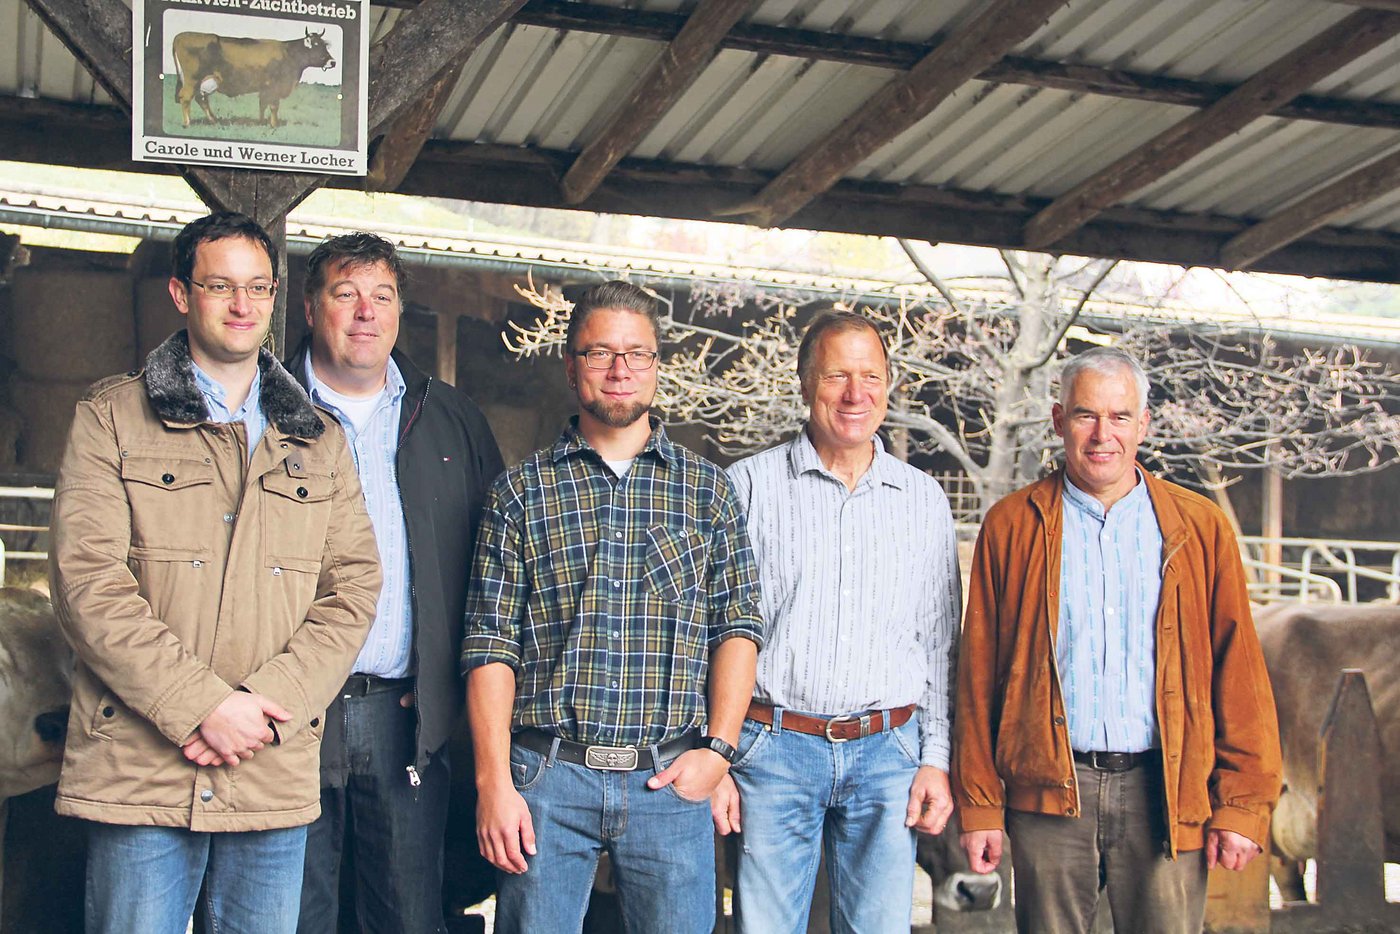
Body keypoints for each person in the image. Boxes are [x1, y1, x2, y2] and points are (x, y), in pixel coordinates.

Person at [48, 211, 382, 934]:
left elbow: (354, 590)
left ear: (274, 297)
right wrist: (201, 705)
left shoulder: (318, 440)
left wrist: (263, 703)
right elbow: (87, 584)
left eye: (257, 287)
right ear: (180, 293)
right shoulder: (111, 419)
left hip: (268, 767)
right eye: (220, 286)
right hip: (142, 770)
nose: (241, 305)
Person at [462, 281, 764, 934]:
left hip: (670, 778)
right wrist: (494, 783)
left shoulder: (707, 492)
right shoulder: (520, 493)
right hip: (546, 779)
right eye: (600, 352)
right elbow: (490, 646)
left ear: (657, 366)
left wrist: (718, 751)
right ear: (571, 367)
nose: (620, 368)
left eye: (637, 353)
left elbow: (737, 628)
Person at [953, 346, 1283, 934]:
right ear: (1059, 420)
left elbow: (1239, 671)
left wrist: (1242, 803)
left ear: (1143, 424)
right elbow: (978, 674)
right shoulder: (1011, 525)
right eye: (1086, 415)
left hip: (1166, 788)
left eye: (1120, 416)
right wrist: (980, 804)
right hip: (1048, 792)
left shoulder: (1200, 527)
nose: (1103, 434)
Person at [715, 310, 961, 934]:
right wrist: (715, 757)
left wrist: (934, 758)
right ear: (805, 384)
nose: (856, 394)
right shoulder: (746, 487)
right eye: (836, 376)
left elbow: (939, 646)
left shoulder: (923, 499)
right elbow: (708, 635)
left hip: (889, 753)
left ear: (888, 386)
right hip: (771, 749)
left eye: (871, 376)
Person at [287, 233, 504, 933]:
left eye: (381, 296)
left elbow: (495, 570)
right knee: (289, 913)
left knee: (408, 916)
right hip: (287, 711)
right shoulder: (262, 410)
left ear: (399, 312)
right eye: (345, 294)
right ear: (310, 308)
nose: (365, 313)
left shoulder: (451, 419)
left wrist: (448, 687)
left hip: (405, 715)